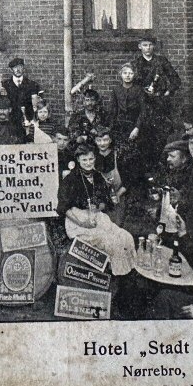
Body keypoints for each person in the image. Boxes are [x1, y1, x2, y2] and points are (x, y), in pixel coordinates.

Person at [57, 144, 135, 276]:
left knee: (125, 236)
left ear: (95, 159)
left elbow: (105, 202)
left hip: (97, 216)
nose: (88, 163)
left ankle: (127, 271)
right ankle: (116, 274)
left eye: (91, 159)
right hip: (77, 220)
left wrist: (98, 207)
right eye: (84, 160)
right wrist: (82, 223)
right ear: (78, 160)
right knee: (109, 241)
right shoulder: (71, 179)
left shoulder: (98, 177)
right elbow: (64, 208)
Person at [132, 34, 181, 169]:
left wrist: (167, 92)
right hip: (143, 105)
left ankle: (161, 167)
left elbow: (176, 80)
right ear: (140, 47)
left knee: (161, 136)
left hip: (160, 105)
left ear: (154, 46)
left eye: (150, 45)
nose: (148, 48)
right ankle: (146, 170)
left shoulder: (161, 61)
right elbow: (132, 85)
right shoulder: (135, 64)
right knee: (144, 137)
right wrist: (142, 92)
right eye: (145, 45)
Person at [93, 126, 128, 226]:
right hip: (99, 200)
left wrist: (119, 193)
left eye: (105, 140)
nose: (102, 143)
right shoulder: (93, 157)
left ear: (110, 140)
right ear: (95, 141)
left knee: (116, 227)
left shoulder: (117, 156)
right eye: (99, 140)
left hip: (117, 198)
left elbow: (128, 179)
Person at [2, 57, 41, 140]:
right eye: (15, 67)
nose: (18, 69)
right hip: (11, 123)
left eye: (20, 67)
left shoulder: (32, 84)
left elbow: (36, 105)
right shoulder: (5, 85)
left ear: (23, 68)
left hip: (28, 123)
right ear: (11, 70)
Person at [108, 62, 145, 144]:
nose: (127, 76)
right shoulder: (116, 90)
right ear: (121, 74)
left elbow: (143, 111)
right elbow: (113, 110)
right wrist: (111, 128)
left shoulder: (139, 90)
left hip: (134, 126)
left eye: (130, 73)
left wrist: (137, 128)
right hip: (119, 126)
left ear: (134, 75)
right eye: (125, 73)